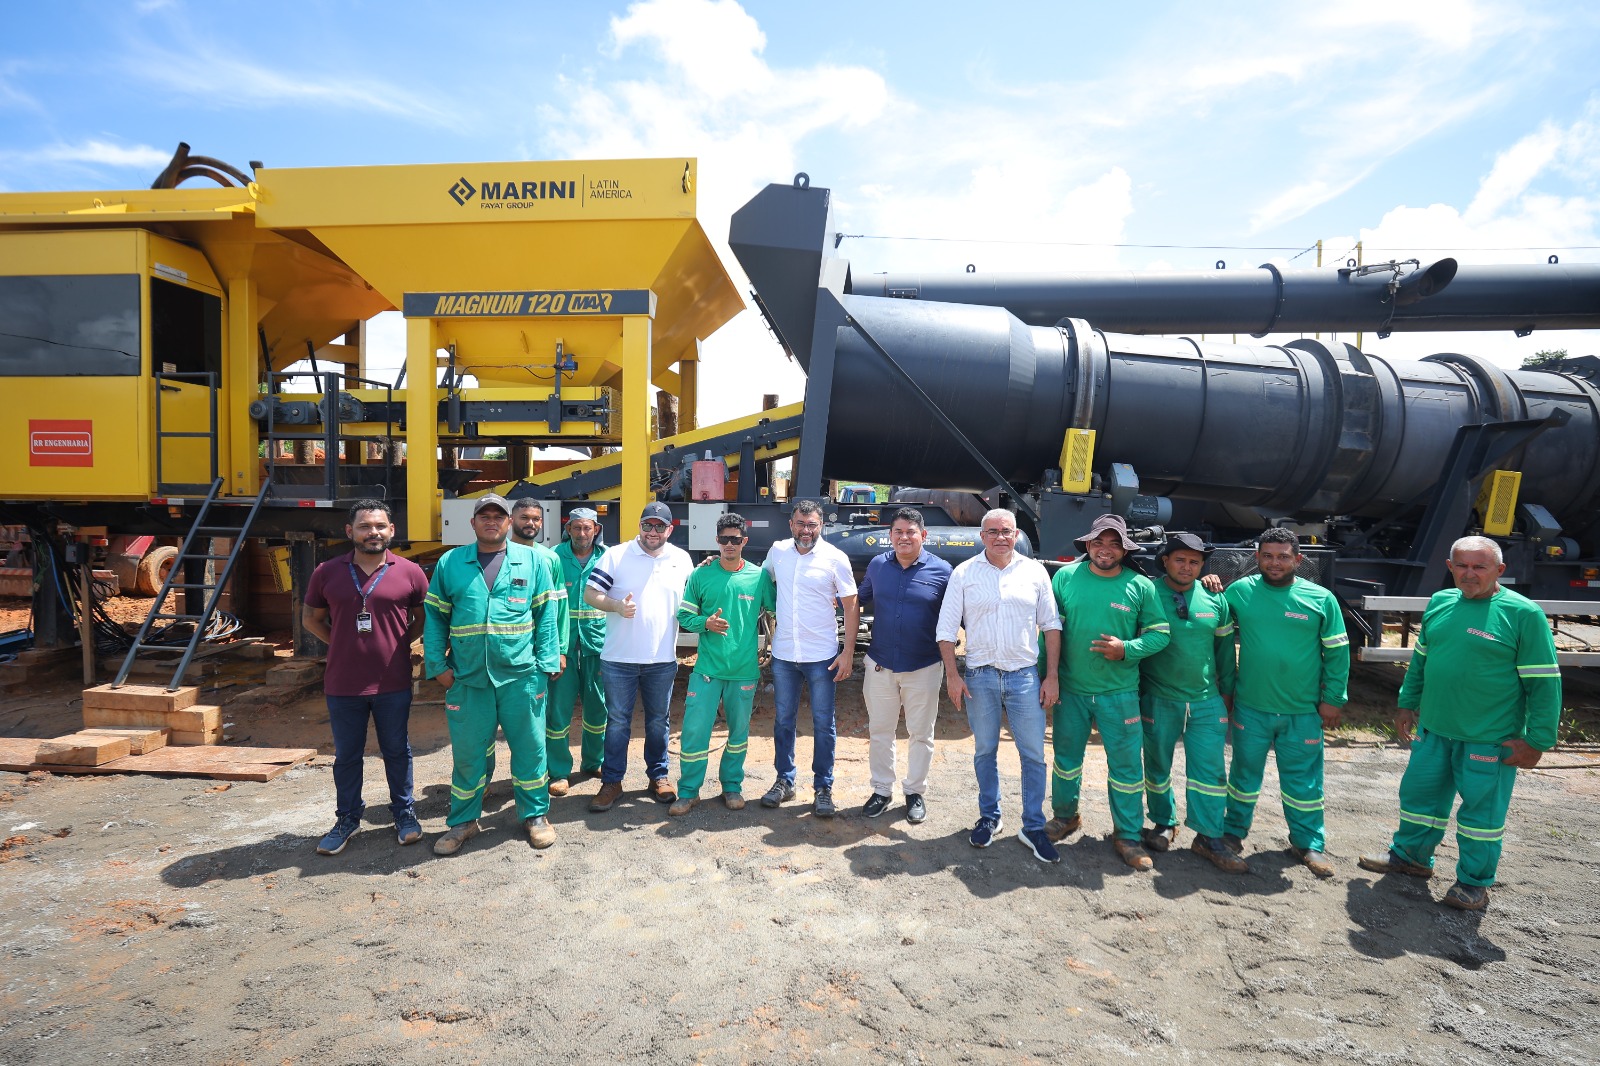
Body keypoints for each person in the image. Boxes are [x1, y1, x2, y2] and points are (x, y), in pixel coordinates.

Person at [1358, 536, 1561, 910]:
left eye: (1479, 566)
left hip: (1488, 739)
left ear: (1500, 570)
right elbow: (1421, 660)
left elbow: (1544, 683)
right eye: (1461, 566)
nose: (1469, 574)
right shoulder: (1440, 603)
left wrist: (1538, 741)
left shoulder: (1523, 614)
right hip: (1435, 730)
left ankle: (1473, 884)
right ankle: (1411, 858)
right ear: (1449, 567)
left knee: (1480, 816)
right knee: (1419, 799)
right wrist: (1407, 704)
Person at [423, 493, 563, 855]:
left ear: (508, 522)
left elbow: (546, 616)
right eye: (483, 516)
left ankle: (534, 816)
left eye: (497, 516)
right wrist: (438, 668)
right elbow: (435, 618)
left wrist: (547, 664)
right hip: (468, 679)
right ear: (472, 523)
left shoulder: (533, 561)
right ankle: (463, 822)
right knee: (468, 755)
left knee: (530, 750)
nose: (491, 521)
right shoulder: (451, 562)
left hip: (522, 677)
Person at [1043, 514, 1171, 871]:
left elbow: (1161, 634)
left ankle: (1127, 835)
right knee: (1066, 761)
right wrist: (1046, 678)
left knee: (1126, 767)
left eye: (1114, 543)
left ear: (1124, 549)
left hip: (1120, 693)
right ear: (1088, 545)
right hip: (1073, 690)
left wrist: (1126, 649)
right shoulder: (1066, 578)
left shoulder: (1139, 586)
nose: (1105, 549)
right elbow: (1048, 632)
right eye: (1099, 542)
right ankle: (1065, 816)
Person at [303, 499, 430, 856]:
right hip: (343, 683)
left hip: (393, 681)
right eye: (364, 526)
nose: (372, 532)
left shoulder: (410, 572)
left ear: (391, 530)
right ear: (350, 532)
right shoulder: (327, 571)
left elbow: (421, 618)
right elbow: (311, 619)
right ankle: (346, 819)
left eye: (379, 526)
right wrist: (340, 643)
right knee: (347, 755)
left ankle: (404, 814)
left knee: (397, 750)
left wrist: (400, 643)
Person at [1221, 527, 1349, 878]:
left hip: (1302, 711)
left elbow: (1337, 653)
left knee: (1304, 783)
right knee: (1243, 776)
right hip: (1252, 706)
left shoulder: (1321, 599)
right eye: (1267, 556)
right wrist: (1209, 583)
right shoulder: (1240, 592)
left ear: (1298, 559)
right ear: (1257, 558)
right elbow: (1213, 631)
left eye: (1283, 556)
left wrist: (1333, 699)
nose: (1274, 562)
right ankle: (1232, 834)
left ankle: (1308, 844)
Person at [936, 508, 1063, 863]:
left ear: (1016, 534)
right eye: (992, 531)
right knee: (984, 750)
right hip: (980, 677)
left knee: (1033, 755)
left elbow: (1051, 626)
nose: (999, 537)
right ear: (981, 536)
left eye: (1006, 531)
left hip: (1024, 676)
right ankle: (990, 817)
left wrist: (1050, 676)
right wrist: (952, 675)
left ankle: (1033, 826)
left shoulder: (1035, 572)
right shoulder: (964, 574)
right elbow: (946, 630)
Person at [1138, 532, 1246, 873]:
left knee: (1210, 772)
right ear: (1165, 561)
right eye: (1180, 560)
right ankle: (1163, 823)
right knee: (1157, 767)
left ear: (1203, 566)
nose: (1187, 567)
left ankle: (1209, 837)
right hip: (1158, 698)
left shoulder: (1216, 599)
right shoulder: (1147, 593)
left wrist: (1226, 694)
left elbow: (1225, 652)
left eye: (1195, 562)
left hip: (1205, 701)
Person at [585, 501, 695, 812]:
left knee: (659, 722)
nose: (653, 531)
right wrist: (617, 606)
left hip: (661, 659)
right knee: (617, 721)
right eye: (648, 524)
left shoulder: (682, 560)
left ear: (670, 530)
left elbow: (694, 596)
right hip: (619, 658)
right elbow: (590, 594)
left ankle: (659, 777)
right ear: (639, 526)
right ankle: (612, 782)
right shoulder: (616, 555)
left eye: (660, 526)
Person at [760, 499, 860, 818]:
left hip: (822, 656)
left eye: (812, 525)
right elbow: (758, 578)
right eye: (801, 524)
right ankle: (784, 781)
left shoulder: (835, 558)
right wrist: (714, 562)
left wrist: (848, 652)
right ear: (791, 524)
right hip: (786, 654)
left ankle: (823, 787)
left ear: (821, 526)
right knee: (784, 720)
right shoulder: (777, 552)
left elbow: (851, 604)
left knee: (823, 723)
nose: (806, 530)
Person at [670, 513, 775, 815]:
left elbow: (780, 608)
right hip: (706, 671)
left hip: (743, 671)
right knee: (694, 732)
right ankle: (689, 792)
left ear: (744, 541)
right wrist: (706, 623)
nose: (729, 544)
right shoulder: (701, 576)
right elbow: (685, 616)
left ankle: (732, 787)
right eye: (724, 539)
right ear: (716, 541)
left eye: (735, 539)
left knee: (738, 735)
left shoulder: (758, 577)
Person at [858, 507, 952, 823]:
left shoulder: (942, 571)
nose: (904, 537)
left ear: (923, 536)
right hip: (881, 664)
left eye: (911, 531)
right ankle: (882, 791)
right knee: (880, 730)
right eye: (898, 532)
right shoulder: (878, 565)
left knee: (921, 733)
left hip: (923, 666)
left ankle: (914, 791)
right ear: (890, 536)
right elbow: (858, 600)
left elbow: (955, 617)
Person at [510, 497, 575, 793]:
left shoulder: (550, 559)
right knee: (506, 721)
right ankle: (483, 780)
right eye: (525, 517)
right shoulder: (498, 555)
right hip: (510, 653)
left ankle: (557, 771)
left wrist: (560, 650)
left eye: (536, 519)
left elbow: (560, 609)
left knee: (552, 713)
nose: (531, 523)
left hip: (542, 652)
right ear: (512, 519)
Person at [549, 507, 608, 790]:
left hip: (598, 644)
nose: (582, 533)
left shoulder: (608, 558)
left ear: (595, 529)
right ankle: (559, 771)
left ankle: (593, 762)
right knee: (558, 710)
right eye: (577, 528)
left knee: (598, 707)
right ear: (568, 528)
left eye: (588, 528)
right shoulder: (553, 557)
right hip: (562, 647)